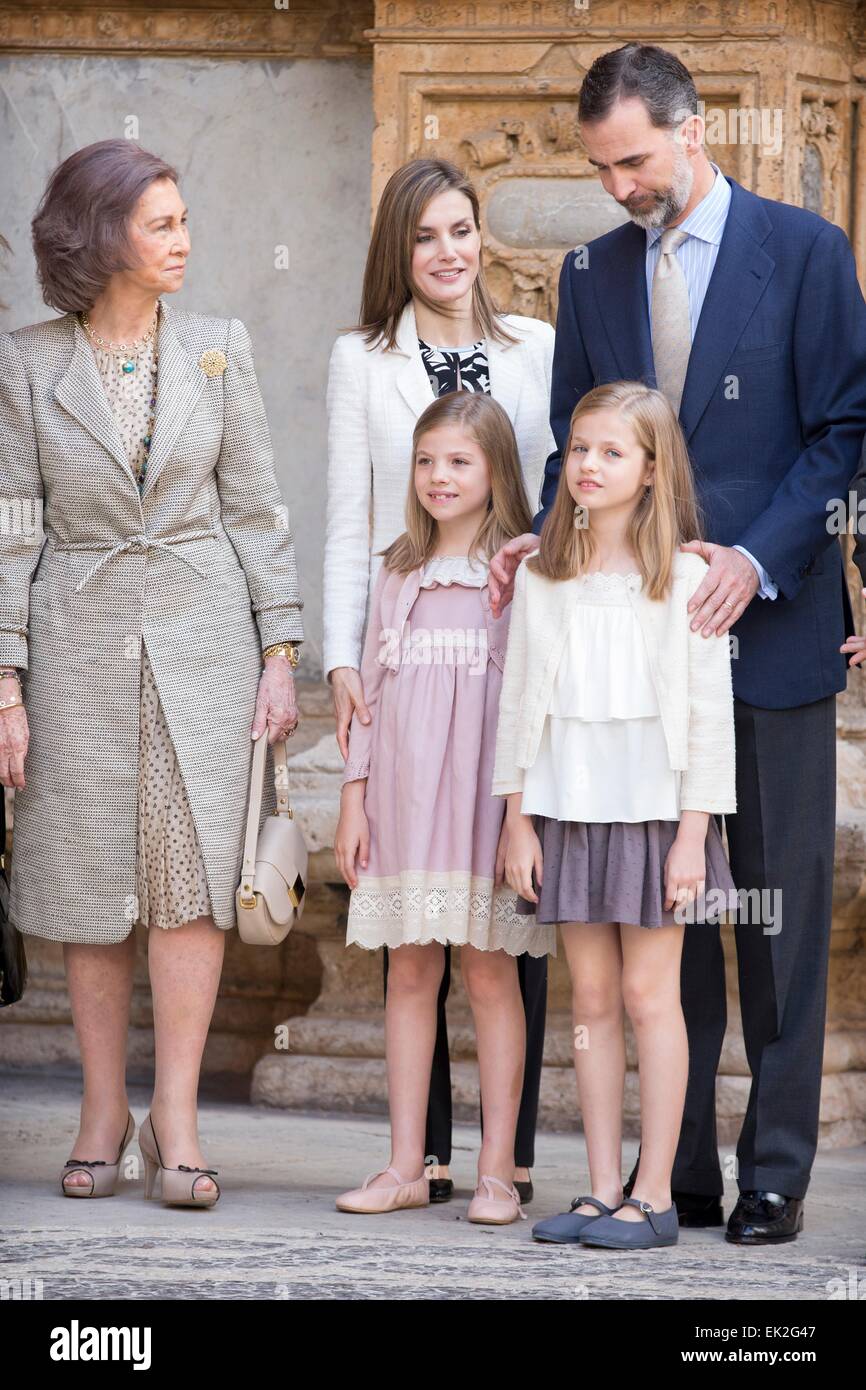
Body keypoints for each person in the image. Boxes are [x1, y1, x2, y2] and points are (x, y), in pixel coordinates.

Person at [487, 43, 866, 1244]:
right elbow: (571, 445)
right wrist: (540, 536)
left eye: (634, 161)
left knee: (776, 918)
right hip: (626, 666)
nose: (618, 188)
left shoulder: (803, 252)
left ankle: (773, 1172)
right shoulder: (591, 274)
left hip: (774, 629)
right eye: (600, 167)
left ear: (692, 130)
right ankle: (674, 1172)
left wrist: (752, 561)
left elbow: (844, 427)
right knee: (666, 913)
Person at [0, 140, 303, 1207]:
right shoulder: (29, 362)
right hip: (74, 645)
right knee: (90, 889)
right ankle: (98, 1111)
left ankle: (175, 1114)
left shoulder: (219, 346)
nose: (184, 240)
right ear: (100, 236)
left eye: (183, 219)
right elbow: (9, 528)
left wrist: (280, 652)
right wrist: (5, 681)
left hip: (204, 642)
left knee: (186, 886)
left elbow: (257, 509)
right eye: (160, 224)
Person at [324, 157, 555, 1202]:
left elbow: (559, 502)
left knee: (495, 957)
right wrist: (339, 663)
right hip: (400, 663)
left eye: (460, 230)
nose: (446, 251)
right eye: (423, 236)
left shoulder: (533, 350)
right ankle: (412, 1156)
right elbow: (346, 523)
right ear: (398, 251)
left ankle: (504, 1164)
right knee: (410, 955)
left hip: (499, 665)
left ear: (481, 240)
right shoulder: (360, 360)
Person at [494, 381, 736, 1249]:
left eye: (612, 452)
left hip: (655, 820)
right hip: (567, 811)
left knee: (646, 996)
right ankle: (599, 1189)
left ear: (651, 469)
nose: (588, 465)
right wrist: (517, 819)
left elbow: (709, 726)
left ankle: (658, 1194)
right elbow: (520, 704)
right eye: (581, 449)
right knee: (589, 995)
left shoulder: (689, 579)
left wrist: (692, 841)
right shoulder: (541, 575)